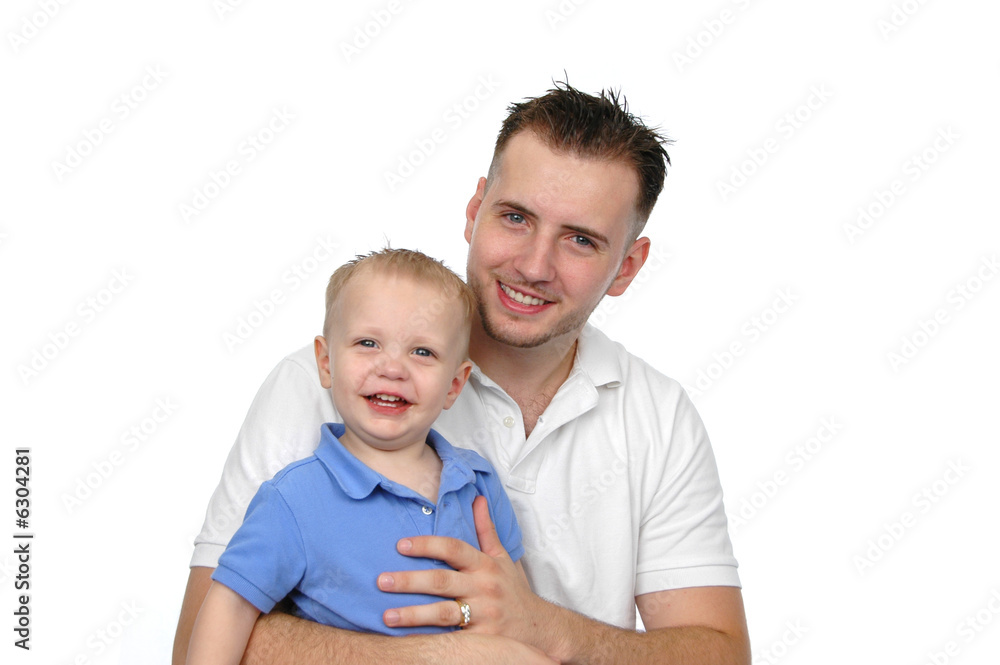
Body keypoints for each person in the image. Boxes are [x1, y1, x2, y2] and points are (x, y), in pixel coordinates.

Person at [173, 81, 750, 665]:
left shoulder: (659, 416)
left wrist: (545, 628)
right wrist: (435, 656)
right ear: (475, 212)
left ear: (627, 266)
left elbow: (721, 655)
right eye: (516, 217)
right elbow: (198, 638)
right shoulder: (322, 383)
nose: (533, 265)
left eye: (580, 240)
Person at [185, 249, 528, 665]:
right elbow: (230, 607)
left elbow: (519, 604)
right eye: (368, 343)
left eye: (422, 352)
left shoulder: (477, 481)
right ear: (326, 362)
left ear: (455, 385)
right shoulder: (294, 498)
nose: (392, 368)